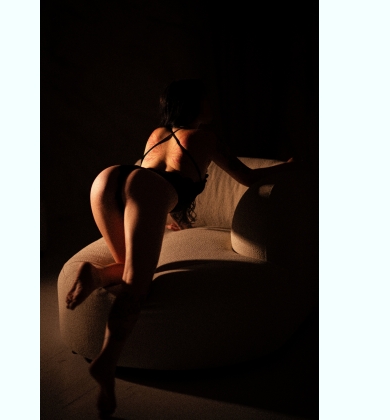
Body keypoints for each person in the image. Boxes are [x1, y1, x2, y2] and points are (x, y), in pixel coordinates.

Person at [65, 79, 297, 418]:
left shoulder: (156, 134)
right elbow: (247, 177)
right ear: (195, 105)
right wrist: (286, 167)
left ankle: (97, 275)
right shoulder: (206, 138)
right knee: (137, 285)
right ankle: (107, 362)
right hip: (146, 190)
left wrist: (158, 213)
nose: (210, 104)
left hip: (108, 179)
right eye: (205, 99)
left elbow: (143, 177)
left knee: (128, 267)